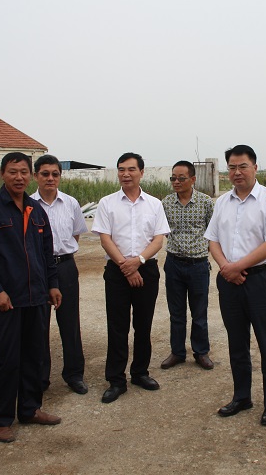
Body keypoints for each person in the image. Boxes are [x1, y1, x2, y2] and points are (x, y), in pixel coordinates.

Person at [0, 152, 63, 443]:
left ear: (29, 175)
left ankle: (30, 409)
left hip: (36, 298)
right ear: (3, 174)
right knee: (7, 361)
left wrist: (52, 285)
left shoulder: (36, 210)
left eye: (23, 172)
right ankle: (0, 419)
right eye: (13, 172)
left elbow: (47, 254)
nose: (19, 177)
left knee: (34, 357)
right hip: (6, 300)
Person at [205, 144, 266, 426]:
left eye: (242, 166)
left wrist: (237, 266)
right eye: (232, 167)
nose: (237, 172)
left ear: (254, 167)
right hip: (229, 281)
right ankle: (242, 397)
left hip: (260, 280)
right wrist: (226, 268)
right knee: (236, 343)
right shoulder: (222, 203)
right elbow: (213, 240)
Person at [91, 152, 170, 403]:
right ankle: (116, 380)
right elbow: (105, 239)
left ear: (141, 173)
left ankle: (140, 373)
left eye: (131, 169)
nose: (126, 174)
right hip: (117, 270)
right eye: (121, 169)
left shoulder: (154, 204)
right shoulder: (107, 203)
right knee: (117, 326)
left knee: (143, 325)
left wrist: (138, 262)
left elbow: (158, 239)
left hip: (146, 269)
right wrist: (126, 266)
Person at [32, 154, 89, 395]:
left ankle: (74, 374)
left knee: (70, 322)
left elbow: (75, 235)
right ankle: (40, 378)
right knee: (39, 325)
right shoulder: (28, 205)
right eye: (45, 174)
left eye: (55, 174)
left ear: (60, 176)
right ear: (36, 176)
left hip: (65, 266)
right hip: (37, 270)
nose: (50, 178)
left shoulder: (71, 203)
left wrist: (61, 257)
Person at [160, 160, 215, 371]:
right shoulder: (165, 204)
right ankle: (177, 352)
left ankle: (201, 352)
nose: (176, 182)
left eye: (181, 178)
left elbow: (213, 232)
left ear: (192, 179)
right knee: (176, 313)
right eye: (173, 178)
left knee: (199, 313)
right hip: (174, 264)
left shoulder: (206, 202)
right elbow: (163, 231)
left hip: (198, 265)